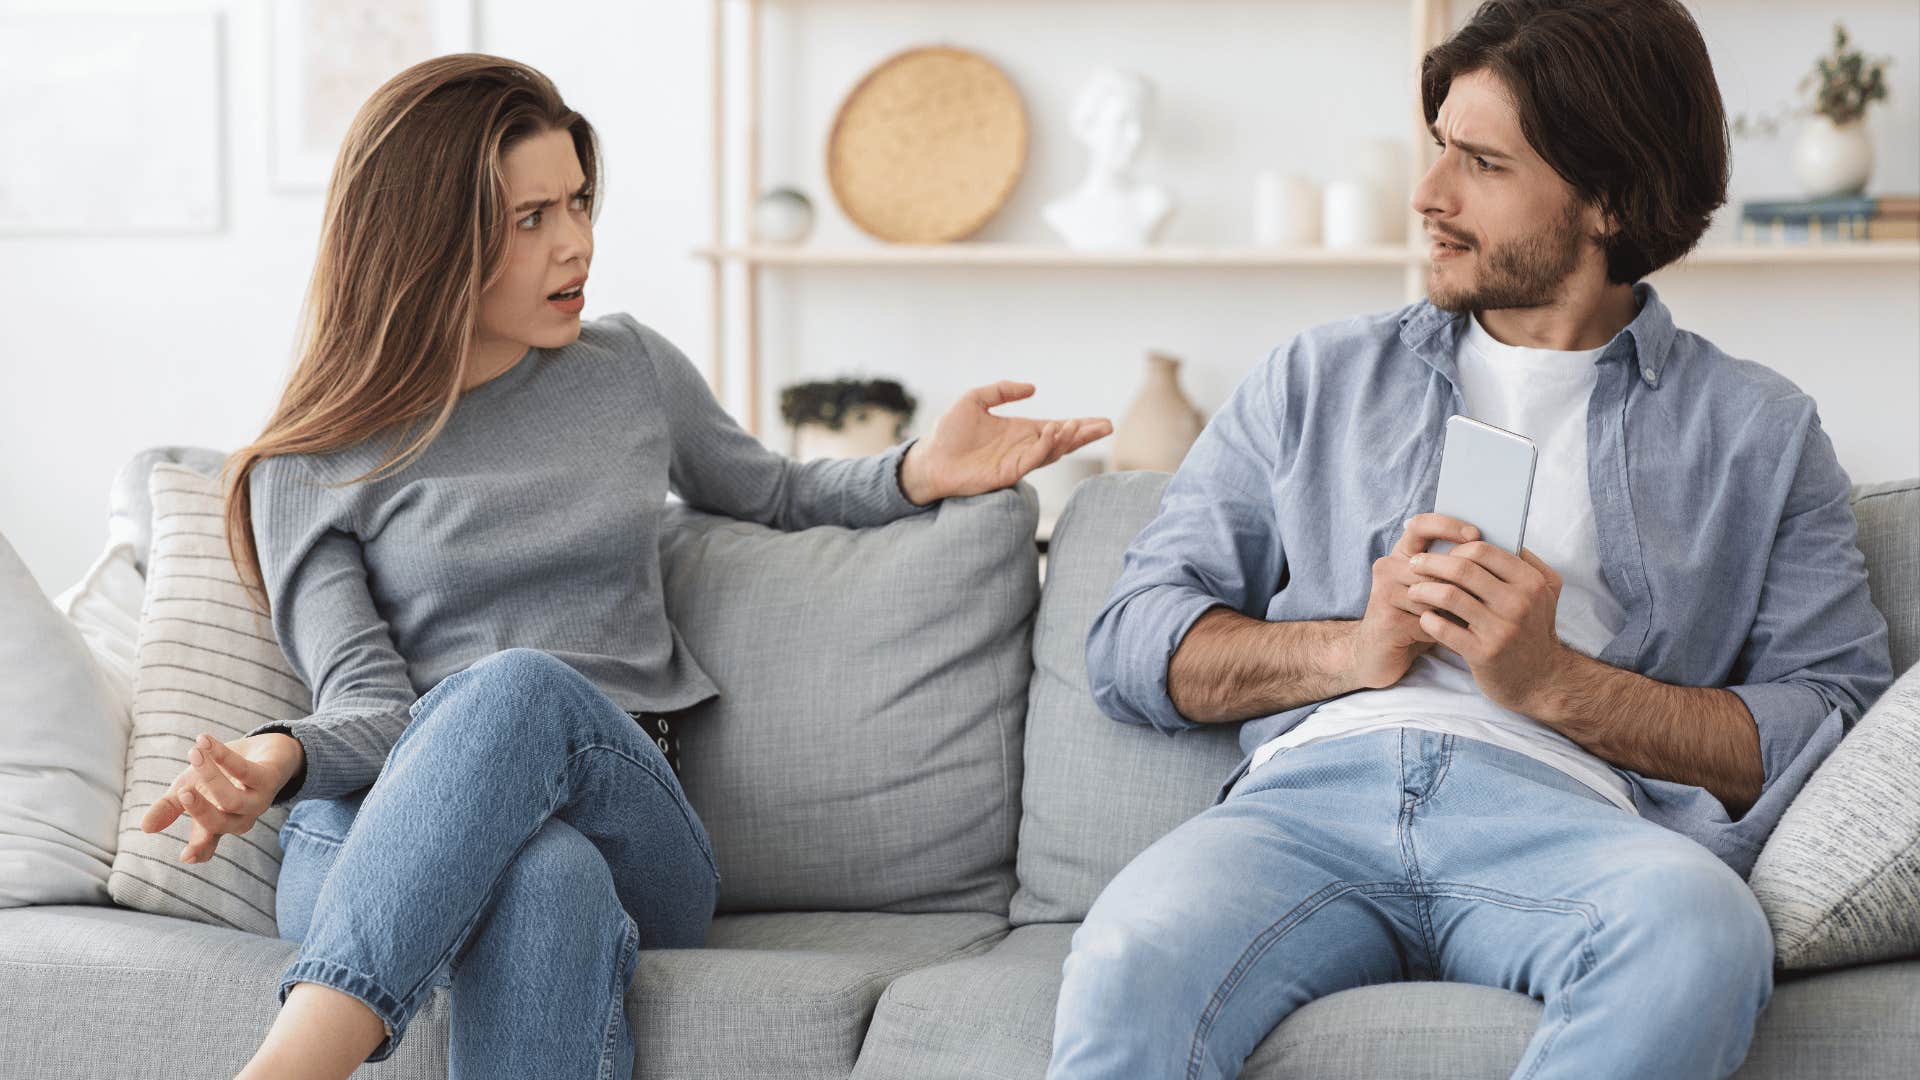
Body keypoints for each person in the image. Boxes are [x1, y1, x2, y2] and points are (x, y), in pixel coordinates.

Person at [132, 54, 1111, 1080]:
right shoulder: (308, 464)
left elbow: (773, 492)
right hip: (374, 829)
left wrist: (922, 470)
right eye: (530, 219)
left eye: (580, 202)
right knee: (542, 872)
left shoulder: (630, 370)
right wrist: (284, 758)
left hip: (626, 812)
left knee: (522, 693)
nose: (577, 243)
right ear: (426, 242)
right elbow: (370, 701)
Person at [1049, 2, 1894, 1078]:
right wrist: (1351, 648)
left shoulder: (1760, 432)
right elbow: (1129, 645)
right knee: (1126, 955)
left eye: (1482, 163)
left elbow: (1828, 720)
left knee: (1701, 933)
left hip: (1574, 821)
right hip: (1308, 810)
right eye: (1441, 145)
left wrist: (1556, 683)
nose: (1429, 195)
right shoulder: (1314, 380)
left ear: (1609, 200)